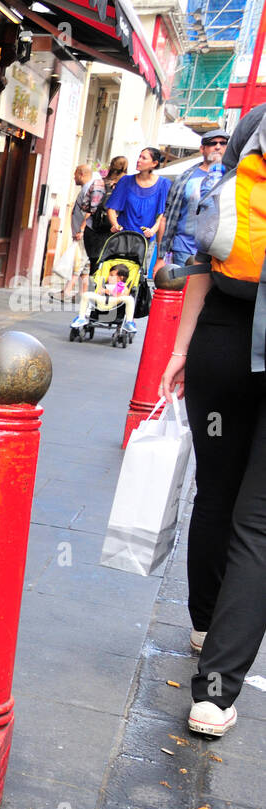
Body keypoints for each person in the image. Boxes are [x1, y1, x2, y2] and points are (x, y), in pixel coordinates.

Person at [158, 102, 266, 738]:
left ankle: (204, 622)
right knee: (260, 522)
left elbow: (200, 258)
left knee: (217, 491)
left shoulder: (254, 122)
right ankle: (216, 693)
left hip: (223, 340)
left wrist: (179, 350)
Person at [156, 129, 228, 270]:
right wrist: (160, 257)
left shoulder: (233, 177)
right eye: (213, 143)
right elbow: (167, 217)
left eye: (223, 143)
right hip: (184, 249)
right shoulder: (184, 178)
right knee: (184, 290)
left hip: (218, 251)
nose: (218, 147)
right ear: (202, 149)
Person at [105, 146, 171, 288]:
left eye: (144, 158)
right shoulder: (125, 181)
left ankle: (133, 304)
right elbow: (111, 208)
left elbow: (163, 214)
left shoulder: (163, 184)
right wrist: (115, 224)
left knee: (138, 277)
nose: (139, 160)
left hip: (146, 239)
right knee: (118, 273)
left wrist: (153, 229)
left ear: (154, 163)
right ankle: (113, 301)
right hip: (124, 236)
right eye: (139, 156)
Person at [83, 156, 128, 278]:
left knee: (94, 263)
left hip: (94, 229)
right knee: (112, 264)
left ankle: (94, 288)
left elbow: (86, 205)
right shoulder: (127, 186)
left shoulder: (99, 183)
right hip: (117, 231)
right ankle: (108, 289)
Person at [70, 163, 105, 298]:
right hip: (81, 231)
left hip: (84, 232)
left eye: (75, 174)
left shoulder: (91, 187)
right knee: (84, 264)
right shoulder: (87, 187)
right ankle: (82, 293)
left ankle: (67, 290)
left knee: (79, 260)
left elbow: (91, 210)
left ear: (81, 174)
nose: (74, 177)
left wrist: (82, 229)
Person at [70, 264, 135, 332]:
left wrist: (115, 293)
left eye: (112, 275)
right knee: (86, 295)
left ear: (121, 278)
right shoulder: (105, 285)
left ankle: (129, 322)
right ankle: (81, 318)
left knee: (130, 299)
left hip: (115, 302)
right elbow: (99, 292)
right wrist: (103, 291)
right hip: (101, 301)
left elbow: (125, 294)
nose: (109, 277)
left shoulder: (123, 287)